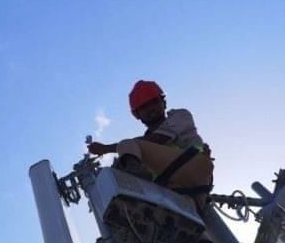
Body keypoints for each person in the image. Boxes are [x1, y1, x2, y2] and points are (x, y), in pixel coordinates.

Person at [87, 80, 214, 208]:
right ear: (137, 114)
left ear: (164, 103)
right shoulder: (141, 145)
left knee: (127, 145)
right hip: (183, 189)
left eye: (154, 102)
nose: (151, 108)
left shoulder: (180, 116)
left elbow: (158, 139)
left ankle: (136, 182)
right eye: (144, 106)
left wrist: (105, 148)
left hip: (195, 167)